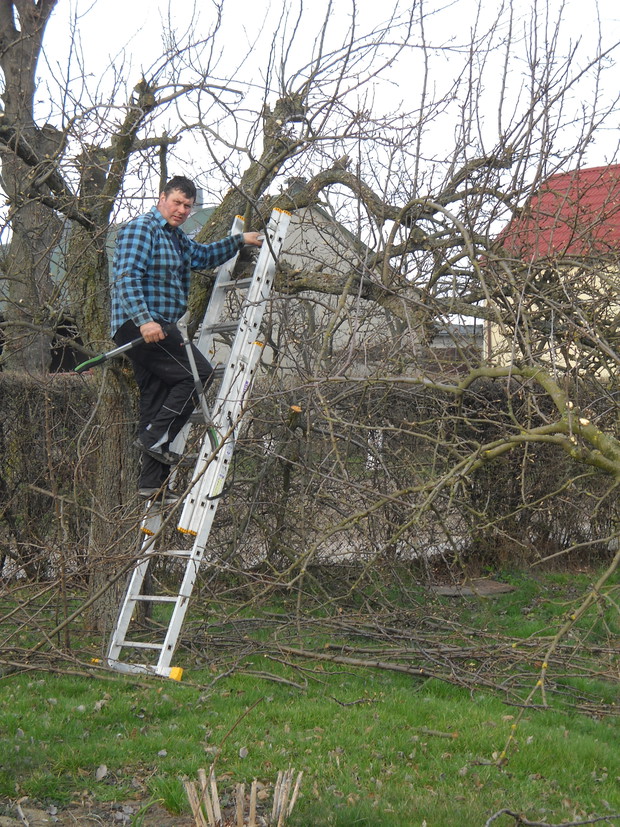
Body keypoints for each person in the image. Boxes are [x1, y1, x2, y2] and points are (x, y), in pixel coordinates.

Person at [111, 175, 263, 502]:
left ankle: (152, 485)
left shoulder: (176, 238)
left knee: (156, 399)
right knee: (198, 375)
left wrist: (240, 240)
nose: (181, 210)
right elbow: (126, 278)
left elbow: (203, 256)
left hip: (156, 325)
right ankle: (153, 438)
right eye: (177, 202)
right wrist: (145, 321)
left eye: (188, 206)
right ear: (162, 198)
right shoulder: (142, 229)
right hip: (143, 325)